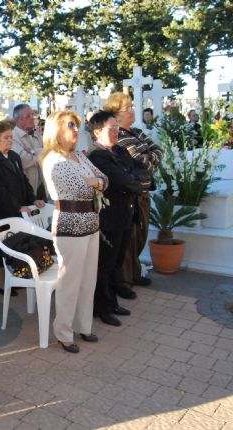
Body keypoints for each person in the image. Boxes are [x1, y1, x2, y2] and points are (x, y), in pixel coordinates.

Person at [40, 112, 108, 353]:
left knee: (88, 280)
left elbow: (104, 180)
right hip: (70, 226)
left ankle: (84, 326)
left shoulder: (78, 156)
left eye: (77, 126)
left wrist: (96, 182)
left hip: (91, 222)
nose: (76, 131)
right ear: (56, 130)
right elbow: (80, 189)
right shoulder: (53, 160)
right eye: (71, 126)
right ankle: (64, 332)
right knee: (70, 281)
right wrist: (94, 182)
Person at [87, 110, 146, 327]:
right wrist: (133, 179)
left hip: (126, 214)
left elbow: (140, 170)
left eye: (116, 127)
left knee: (117, 263)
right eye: (110, 128)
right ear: (97, 132)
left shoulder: (120, 150)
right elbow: (122, 181)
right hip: (109, 218)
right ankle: (101, 308)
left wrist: (134, 179)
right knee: (106, 264)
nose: (116, 132)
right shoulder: (97, 155)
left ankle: (112, 302)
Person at [104, 93, 162, 297]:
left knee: (141, 235)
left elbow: (158, 150)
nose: (132, 110)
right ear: (116, 114)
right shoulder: (118, 136)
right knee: (130, 238)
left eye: (131, 106)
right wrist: (147, 158)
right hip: (131, 194)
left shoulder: (136, 132)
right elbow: (136, 163)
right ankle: (125, 279)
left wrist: (148, 157)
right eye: (127, 108)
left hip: (144, 191)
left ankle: (135, 272)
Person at [0, 120, 45, 297]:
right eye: (6, 138)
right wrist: (18, 207)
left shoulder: (14, 157)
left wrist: (33, 200)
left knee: (17, 243)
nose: (10, 140)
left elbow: (23, 181)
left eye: (11, 137)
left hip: (16, 209)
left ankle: (17, 275)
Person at [11, 104, 47, 200]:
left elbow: (47, 154)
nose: (32, 118)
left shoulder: (36, 134)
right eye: (28, 116)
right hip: (27, 188)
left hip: (41, 185)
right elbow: (24, 161)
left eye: (32, 115)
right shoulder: (13, 137)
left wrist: (32, 152)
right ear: (18, 120)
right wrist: (42, 153)